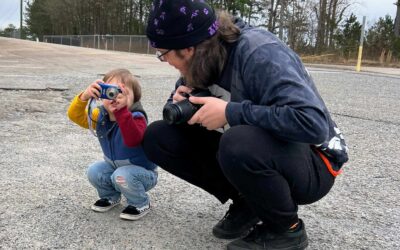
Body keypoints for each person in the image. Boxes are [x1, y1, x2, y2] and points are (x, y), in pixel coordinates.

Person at [143, 0, 348, 249]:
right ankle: (249, 202)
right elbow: (176, 108)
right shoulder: (200, 57)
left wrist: (231, 112)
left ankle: (286, 231)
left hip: (315, 162)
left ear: (187, 49)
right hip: (261, 145)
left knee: (238, 141)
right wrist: (180, 104)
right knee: (159, 136)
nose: (165, 61)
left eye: (163, 54)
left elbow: (312, 123)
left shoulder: (260, 52)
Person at [67, 68, 157, 221]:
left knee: (121, 176)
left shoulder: (137, 118)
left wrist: (122, 112)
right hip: (117, 170)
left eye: (122, 92)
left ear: (134, 99)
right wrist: (85, 96)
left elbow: (132, 139)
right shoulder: (101, 116)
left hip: (142, 174)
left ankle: (140, 202)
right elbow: (75, 116)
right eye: (110, 91)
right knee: (94, 171)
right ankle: (110, 196)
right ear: (101, 95)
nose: (116, 97)